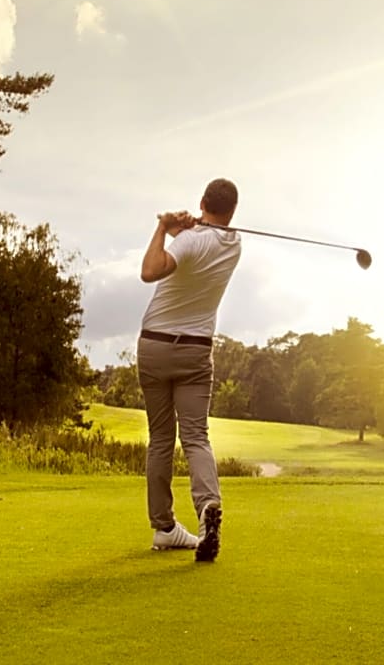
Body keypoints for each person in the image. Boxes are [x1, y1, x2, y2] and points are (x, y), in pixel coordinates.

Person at [137, 177, 241, 562]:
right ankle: (207, 506)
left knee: (162, 438)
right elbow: (205, 242)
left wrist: (164, 228)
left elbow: (150, 271)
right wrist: (188, 230)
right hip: (196, 351)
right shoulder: (234, 245)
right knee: (196, 436)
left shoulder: (189, 240)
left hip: (155, 345)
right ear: (233, 212)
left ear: (202, 202)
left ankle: (164, 527)